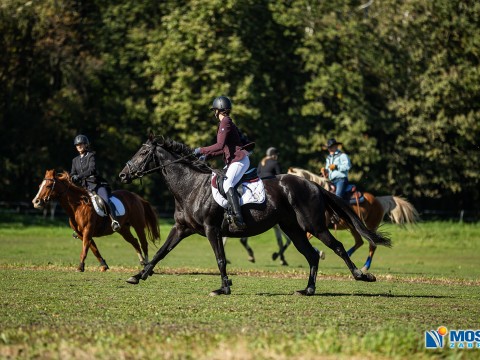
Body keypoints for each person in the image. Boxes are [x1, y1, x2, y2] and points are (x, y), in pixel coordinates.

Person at [194, 96, 250, 230]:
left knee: (227, 183)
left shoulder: (225, 122)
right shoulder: (225, 122)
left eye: (214, 110)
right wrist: (207, 156)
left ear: (217, 110)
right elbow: (224, 149)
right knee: (218, 181)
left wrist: (201, 150)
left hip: (239, 160)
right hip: (232, 160)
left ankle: (239, 219)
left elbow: (219, 145)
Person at [70, 134, 121, 231]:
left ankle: (114, 221)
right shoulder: (75, 160)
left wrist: (79, 176)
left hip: (95, 185)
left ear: (86, 145)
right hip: (83, 187)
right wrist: (72, 177)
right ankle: (78, 227)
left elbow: (91, 170)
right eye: (77, 145)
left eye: (81, 144)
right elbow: (72, 173)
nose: (79, 146)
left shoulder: (91, 156)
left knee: (105, 200)